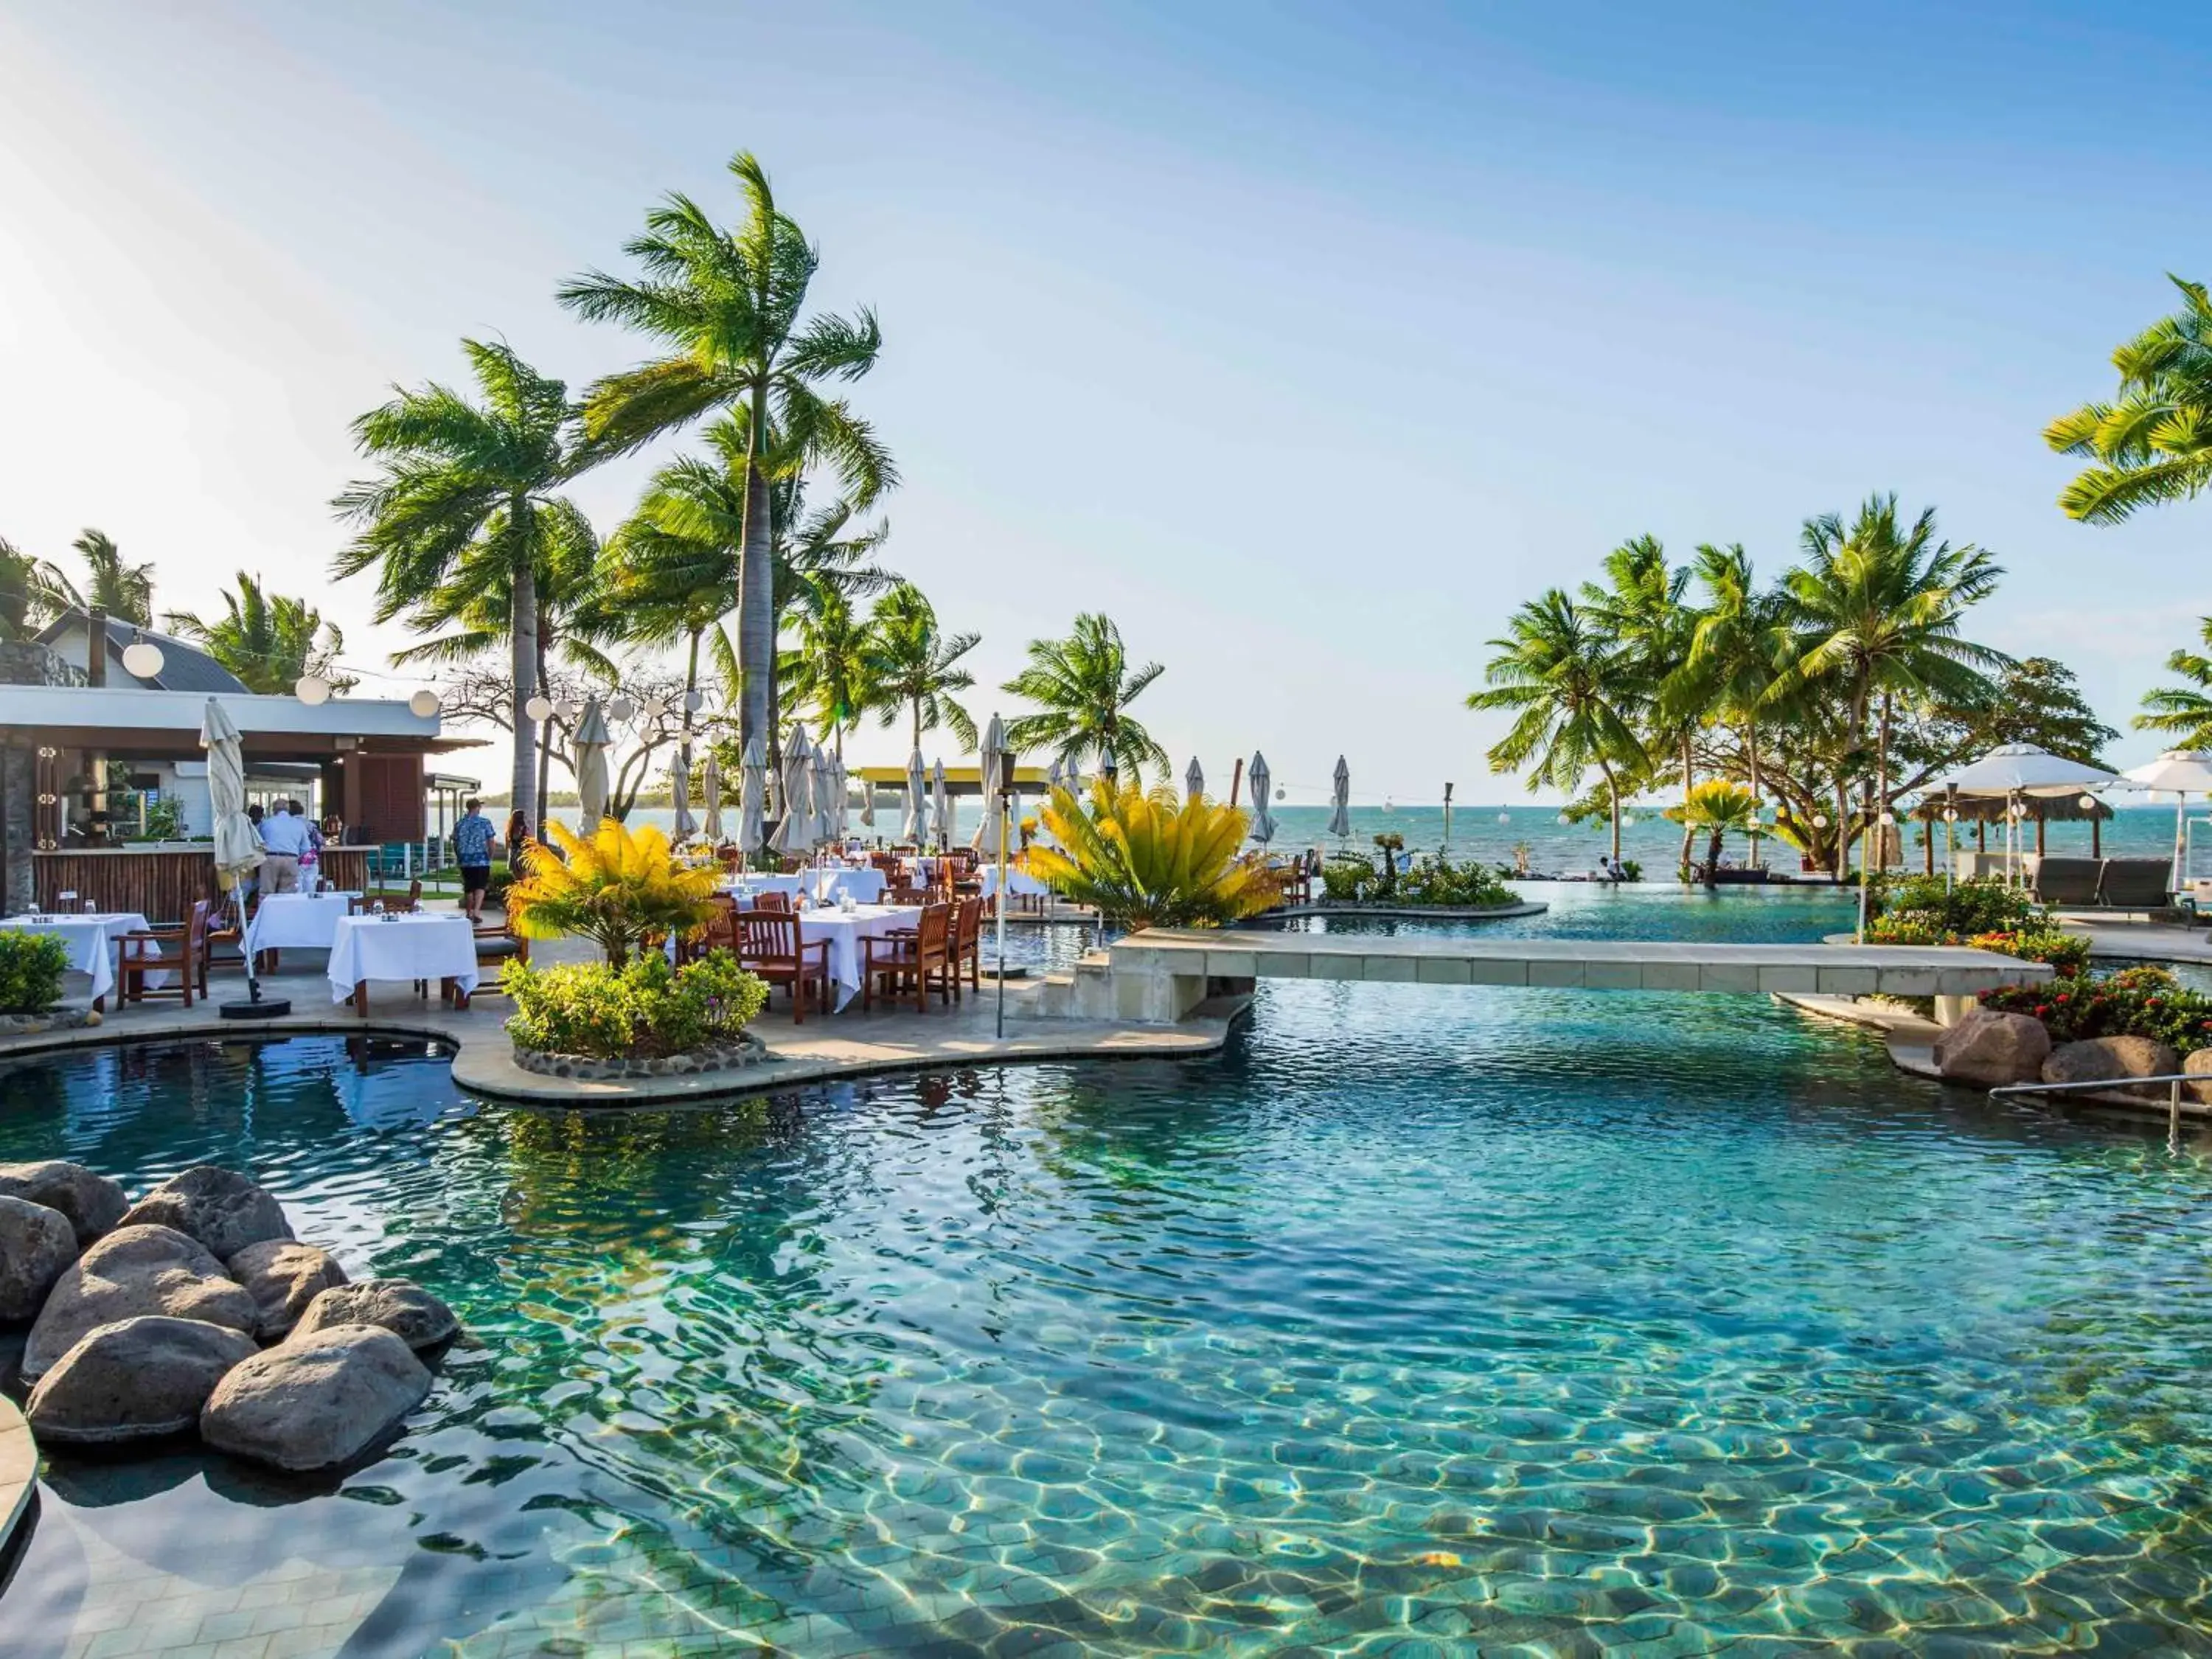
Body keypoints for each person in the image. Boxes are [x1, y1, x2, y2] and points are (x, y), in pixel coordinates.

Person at [453, 798, 497, 922]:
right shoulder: (485, 823)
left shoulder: (460, 824)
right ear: (477, 808)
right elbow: (491, 842)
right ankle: (476, 912)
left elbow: (455, 843)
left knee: (469, 887)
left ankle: (469, 912)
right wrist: (490, 856)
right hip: (481, 859)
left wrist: (459, 856)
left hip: (465, 860)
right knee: (480, 886)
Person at [259, 799, 311, 894]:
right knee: (288, 894)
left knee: (267, 893)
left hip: (270, 858)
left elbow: (259, 843)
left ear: (274, 810)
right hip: (291, 859)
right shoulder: (299, 824)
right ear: (288, 809)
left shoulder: (267, 823)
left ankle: (267, 908)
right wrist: (296, 856)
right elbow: (306, 848)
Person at [504, 809, 532, 880]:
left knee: (517, 880)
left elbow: (507, 846)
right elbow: (530, 844)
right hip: (523, 855)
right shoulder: (525, 829)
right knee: (526, 879)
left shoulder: (509, 830)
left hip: (513, 855)